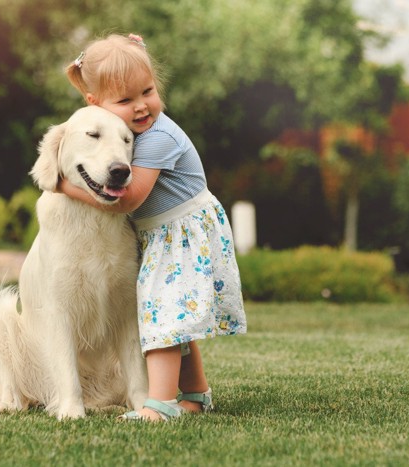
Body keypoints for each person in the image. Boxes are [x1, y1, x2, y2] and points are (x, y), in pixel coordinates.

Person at [57, 33, 247, 421]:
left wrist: (63, 185)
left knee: (161, 315)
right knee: (178, 321)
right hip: (168, 234)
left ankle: (159, 403)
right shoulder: (129, 138)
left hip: (183, 235)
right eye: (125, 101)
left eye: (148, 91)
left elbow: (126, 200)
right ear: (97, 105)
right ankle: (195, 394)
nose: (142, 106)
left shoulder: (158, 137)